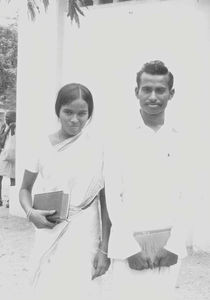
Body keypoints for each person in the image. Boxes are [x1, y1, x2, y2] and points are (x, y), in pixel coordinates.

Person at [104, 60, 189, 300]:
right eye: (146, 89)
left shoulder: (182, 137)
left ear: (171, 94)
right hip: (129, 246)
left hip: (168, 245)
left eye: (160, 90)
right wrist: (130, 248)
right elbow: (113, 195)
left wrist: (174, 245)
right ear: (136, 92)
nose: (153, 96)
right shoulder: (119, 136)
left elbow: (188, 195)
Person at [19, 83, 111, 300]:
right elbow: (24, 188)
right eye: (68, 112)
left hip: (85, 232)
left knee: (81, 289)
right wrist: (30, 212)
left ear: (90, 114)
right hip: (49, 228)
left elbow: (105, 201)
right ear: (57, 111)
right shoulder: (41, 145)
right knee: (46, 289)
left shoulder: (98, 147)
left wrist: (104, 249)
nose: (74, 120)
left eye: (82, 113)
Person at [0, 110, 16, 207]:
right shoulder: (4, 126)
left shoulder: (20, 126)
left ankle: (12, 201)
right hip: (5, 154)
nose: (6, 119)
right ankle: (0, 199)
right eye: (6, 117)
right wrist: (8, 129)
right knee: (0, 175)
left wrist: (13, 129)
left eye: (9, 117)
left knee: (13, 178)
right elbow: (1, 141)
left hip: (15, 156)